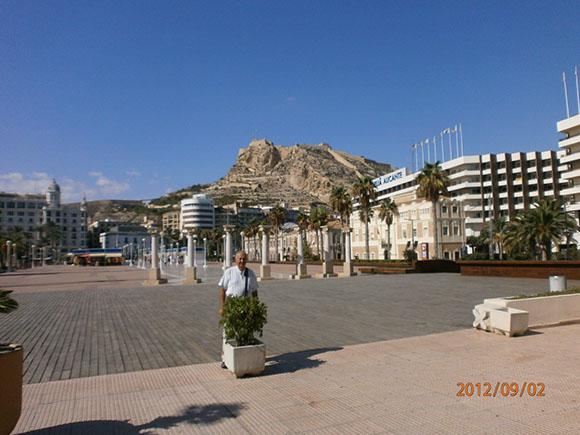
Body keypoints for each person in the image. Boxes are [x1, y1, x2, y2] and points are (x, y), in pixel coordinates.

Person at [218, 250, 259, 368]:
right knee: (228, 333)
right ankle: (225, 359)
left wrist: (255, 307)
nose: (242, 261)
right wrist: (223, 306)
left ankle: (243, 358)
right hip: (232, 308)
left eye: (244, 259)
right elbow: (222, 289)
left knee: (245, 333)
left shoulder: (251, 274)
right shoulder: (229, 272)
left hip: (246, 308)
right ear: (235, 260)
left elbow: (254, 292)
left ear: (247, 260)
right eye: (240, 259)